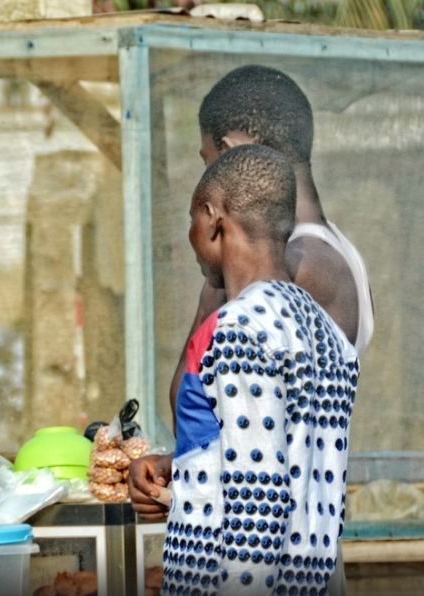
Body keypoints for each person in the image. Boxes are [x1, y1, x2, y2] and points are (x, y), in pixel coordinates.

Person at [128, 65, 374, 519]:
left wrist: (218, 265)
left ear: (234, 150)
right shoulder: (338, 252)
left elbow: (190, 397)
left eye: (209, 163)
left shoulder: (286, 269)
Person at [162, 143, 358, 595]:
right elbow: (279, 455)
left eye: (192, 221)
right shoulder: (326, 331)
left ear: (213, 218)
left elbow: (258, 506)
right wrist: (184, 466)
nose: (190, 236)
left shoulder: (236, 330)